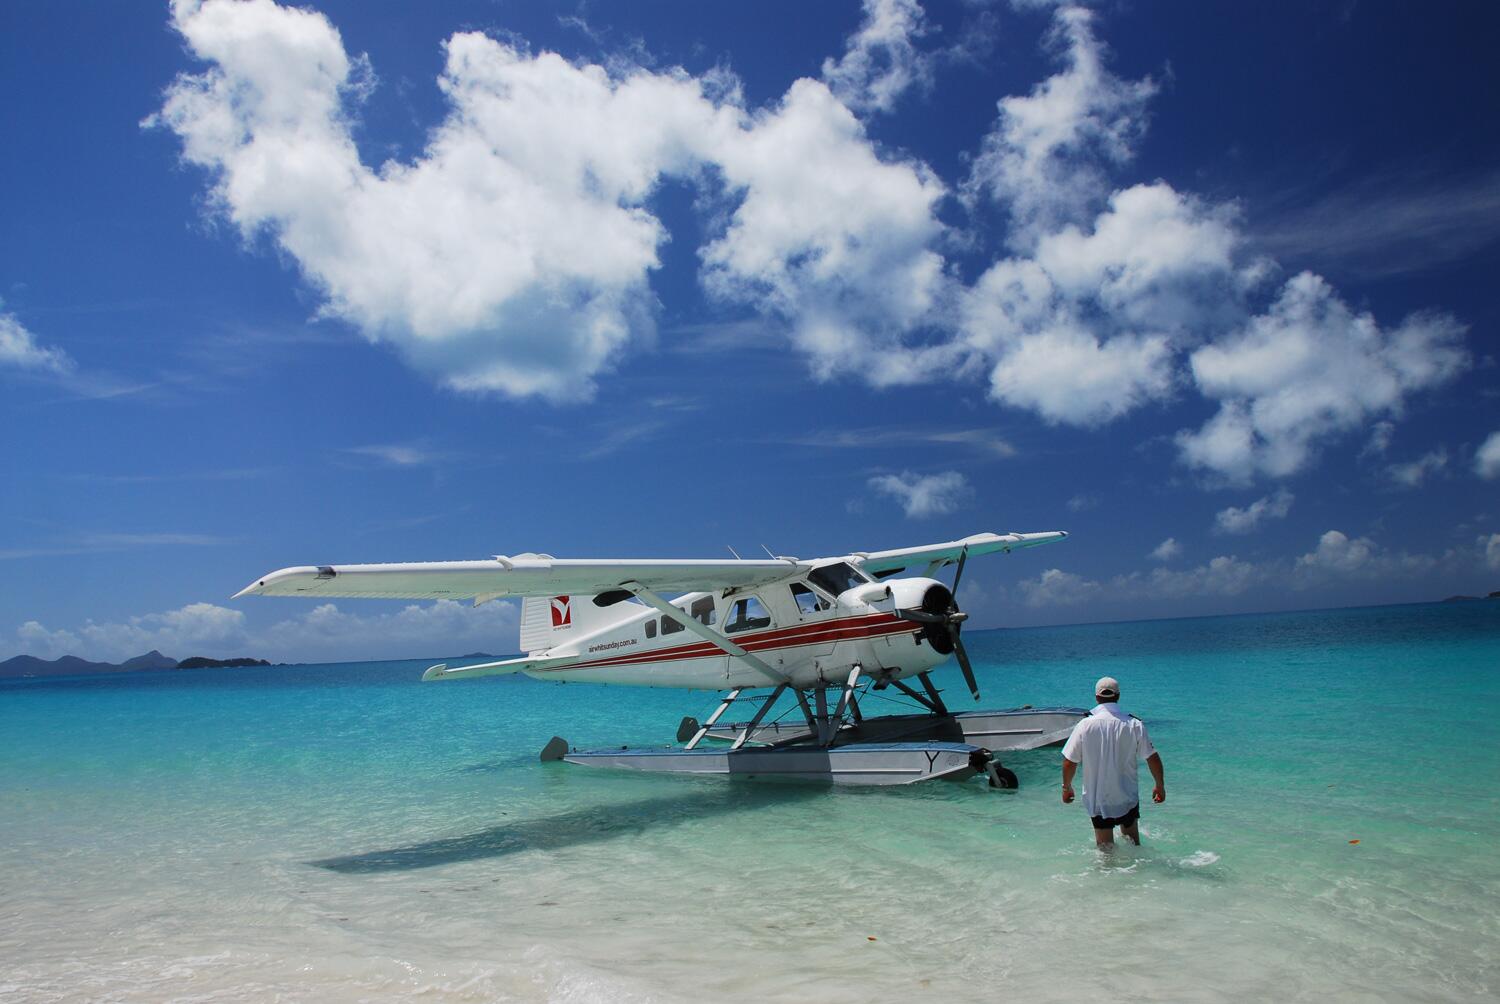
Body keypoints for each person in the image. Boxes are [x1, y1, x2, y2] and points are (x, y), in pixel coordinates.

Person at [1060, 676, 1165, 850]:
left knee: (1105, 852)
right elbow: (1152, 757)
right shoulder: (1134, 724)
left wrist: (1067, 787)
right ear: (1118, 696)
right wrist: (1159, 785)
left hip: (1099, 800)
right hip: (1127, 798)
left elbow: (1069, 762)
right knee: (1134, 846)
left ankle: (1109, 877)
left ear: (1096, 697)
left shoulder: (1085, 725)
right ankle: (1139, 876)